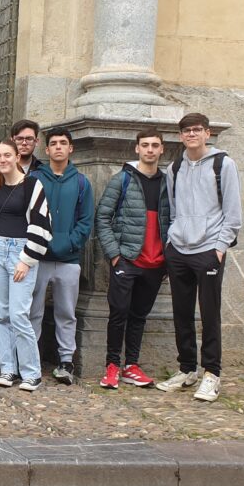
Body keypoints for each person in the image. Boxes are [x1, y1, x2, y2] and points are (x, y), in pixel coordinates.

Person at [156, 113, 241, 402]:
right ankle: (187, 369)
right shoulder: (175, 167)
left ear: (208, 133)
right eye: (186, 131)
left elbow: (233, 213)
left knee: (209, 312)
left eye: (196, 130)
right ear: (181, 137)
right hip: (179, 248)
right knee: (181, 312)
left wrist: (219, 248)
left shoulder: (223, 164)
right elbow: (174, 208)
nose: (191, 134)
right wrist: (171, 240)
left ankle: (212, 374)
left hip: (208, 250)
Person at [95, 128, 170, 389]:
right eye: (145, 145)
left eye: (155, 145)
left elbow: (173, 220)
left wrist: (169, 258)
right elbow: (103, 217)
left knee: (139, 316)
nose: (150, 150)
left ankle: (132, 366)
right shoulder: (122, 179)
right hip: (127, 259)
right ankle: (112, 366)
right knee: (118, 313)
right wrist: (114, 254)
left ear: (162, 150)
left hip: (156, 263)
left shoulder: (168, 183)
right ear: (136, 149)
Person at [0, 139, 52, 391]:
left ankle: (31, 372)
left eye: (6, 155)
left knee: (19, 315)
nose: (2, 160)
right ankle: (8, 369)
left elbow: (42, 224)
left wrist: (26, 259)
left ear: (16, 157)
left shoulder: (33, 185)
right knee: (1, 315)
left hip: (21, 252)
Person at [29, 127, 94, 385]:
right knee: (32, 311)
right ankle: (30, 357)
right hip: (38, 258)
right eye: (53, 143)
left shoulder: (81, 182)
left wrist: (70, 242)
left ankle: (65, 361)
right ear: (46, 150)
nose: (58, 147)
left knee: (66, 312)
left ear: (70, 148)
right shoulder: (34, 178)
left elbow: (86, 220)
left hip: (68, 259)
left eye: (63, 143)